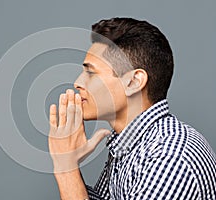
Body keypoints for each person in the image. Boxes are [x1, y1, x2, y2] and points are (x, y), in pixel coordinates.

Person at [48, 17, 216, 200]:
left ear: (134, 82)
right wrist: (67, 159)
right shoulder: (129, 145)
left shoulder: (170, 157)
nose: (78, 83)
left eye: (91, 73)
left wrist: (66, 168)